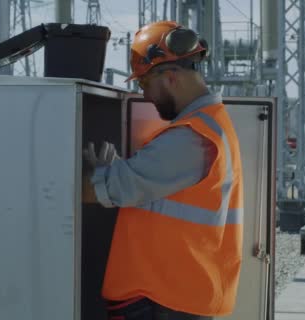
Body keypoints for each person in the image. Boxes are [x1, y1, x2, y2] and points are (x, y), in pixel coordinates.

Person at [83, 21, 244, 319]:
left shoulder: (193, 137)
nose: (145, 95)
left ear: (170, 77)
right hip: (171, 299)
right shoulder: (207, 126)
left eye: (144, 83)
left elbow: (99, 191)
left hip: (166, 302)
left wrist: (52, 180)